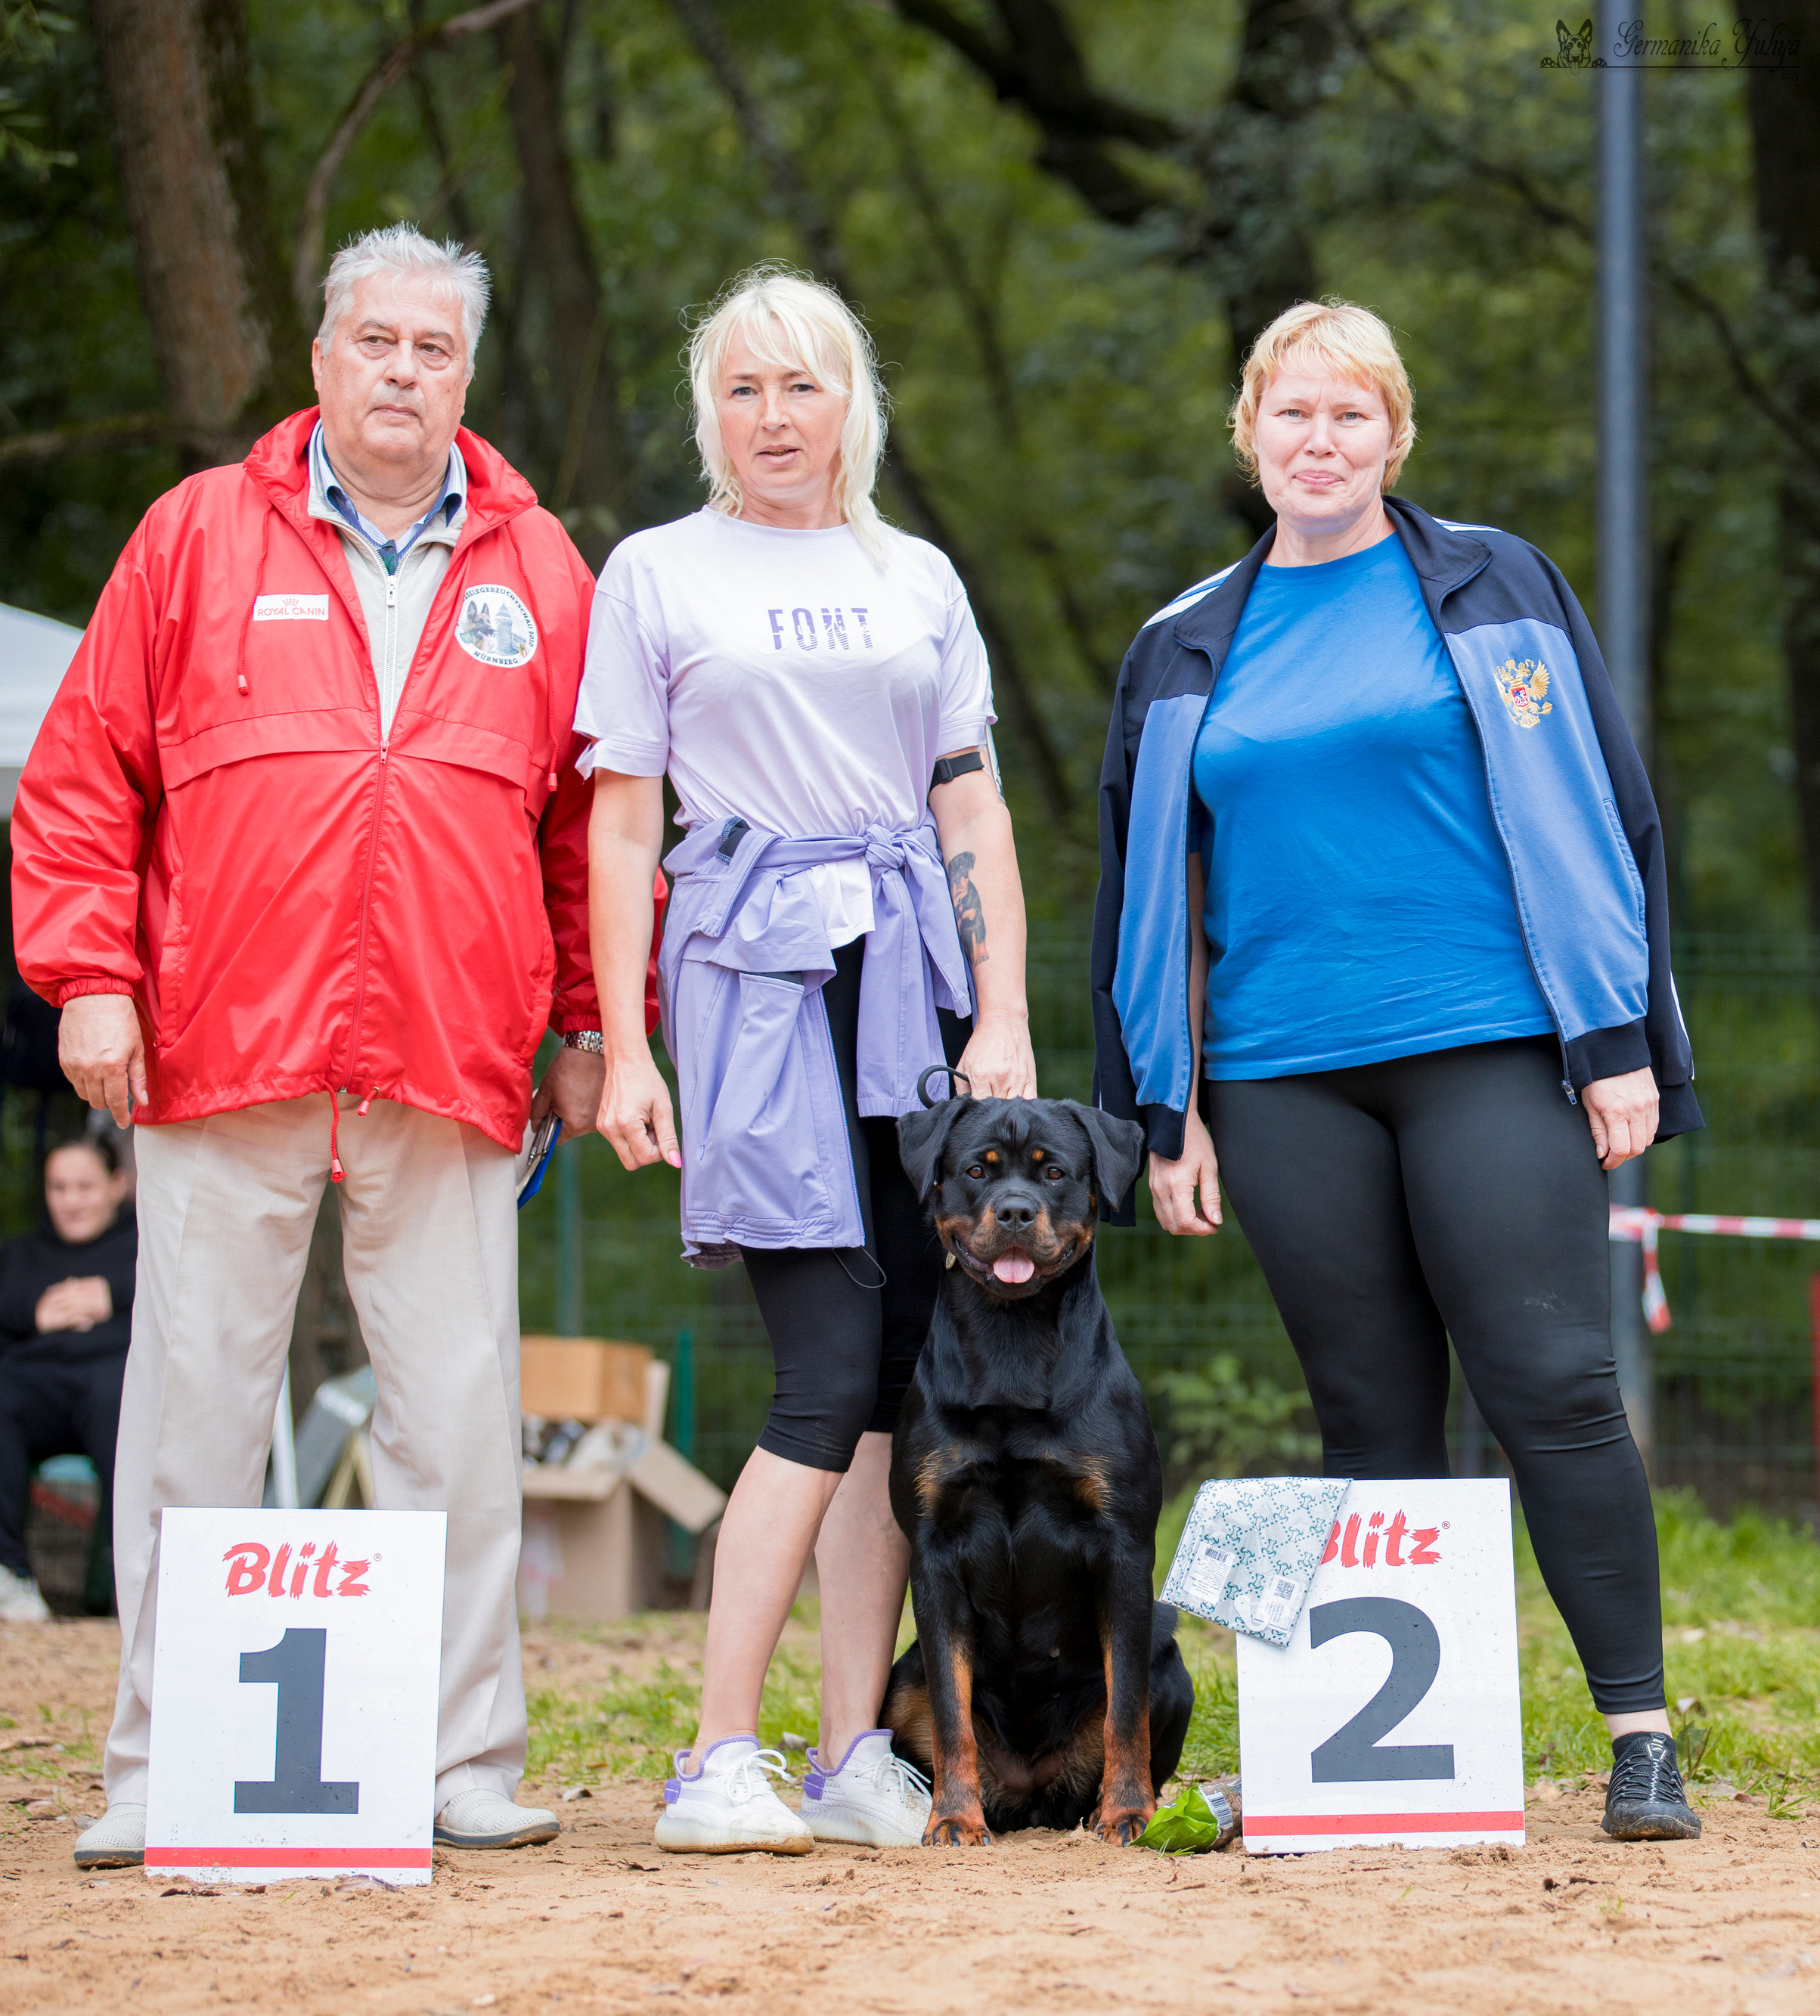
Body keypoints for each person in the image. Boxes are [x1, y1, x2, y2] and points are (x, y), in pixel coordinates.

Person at [11, 222, 645, 1870]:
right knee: (193, 1404)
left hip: (450, 1047)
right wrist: (88, 972)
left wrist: (581, 1020)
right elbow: (84, 774)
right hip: (217, 1042)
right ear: (319, 359)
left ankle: (462, 1760)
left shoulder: (539, 563)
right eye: (374, 342)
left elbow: (589, 826)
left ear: (466, 375)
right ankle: (161, 1763)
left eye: (433, 349)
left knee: (451, 1404)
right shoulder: (193, 536)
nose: (401, 372)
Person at [1091, 299, 1706, 1843]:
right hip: (1279, 1078)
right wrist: (1158, 1109)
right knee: (1364, 1415)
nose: (1318, 440)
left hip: (1490, 1048)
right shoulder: (1177, 645)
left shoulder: (1493, 580)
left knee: (1555, 1386)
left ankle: (1636, 1734)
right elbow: (1142, 891)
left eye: (1348, 415)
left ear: (1393, 434)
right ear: (1248, 432)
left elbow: (1598, 809)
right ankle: (1393, 1759)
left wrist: (1616, 1035)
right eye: (1290, 413)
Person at [581, 265, 1037, 1854]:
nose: (774, 416)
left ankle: (852, 1751)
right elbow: (623, 818)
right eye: (742, 389)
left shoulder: (914, 574)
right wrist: (622, 1039)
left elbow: (967, 806)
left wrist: (1004, 1017)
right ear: (710, 413)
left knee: (896, 1381)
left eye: (803, 384)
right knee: (820, 1365)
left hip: (910, 979)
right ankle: (716, 1754)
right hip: (754, 981)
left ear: (856, 402)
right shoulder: (653, 572)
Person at [0, 1136, 136, 1624]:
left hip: (113, 1385)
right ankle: (4, 1573)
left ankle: (130, 1573)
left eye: (85, 1186)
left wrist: (113, 1295)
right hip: (38, 1387)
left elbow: (196, 1304)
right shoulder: (19, 1259)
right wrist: (32, 1312)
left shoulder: (148, 1250)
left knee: (122, 1395)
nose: (71, 1200)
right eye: (58, 1187)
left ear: (117, 1185)